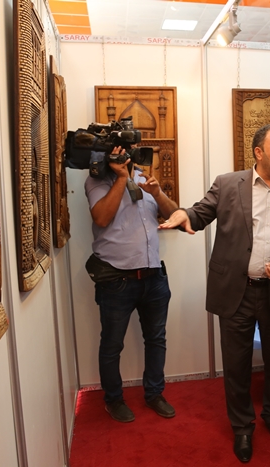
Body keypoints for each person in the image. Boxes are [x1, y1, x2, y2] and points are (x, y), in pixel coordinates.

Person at [159, 124, 270, 463]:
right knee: (236, 364)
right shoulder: (228, 184)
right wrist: (184, 214)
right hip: (236, 291)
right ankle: (242, 427)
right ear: (258, 152)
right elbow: (200, 213)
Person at [85, 146, 179, 423]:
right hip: (117, 281)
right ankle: (113, 400)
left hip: (154, 278)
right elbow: (101, 217)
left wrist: (157, 193)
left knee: (156, 339)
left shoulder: (143, 177)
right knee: (112, 345)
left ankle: (154, 394)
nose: (128, 156)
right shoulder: (96, 180)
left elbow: (174, 216)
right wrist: (120, 178)